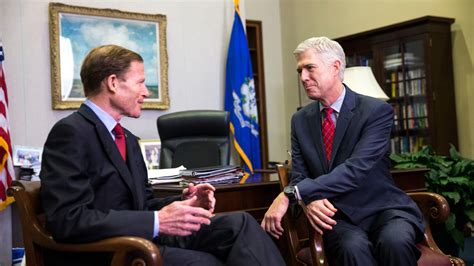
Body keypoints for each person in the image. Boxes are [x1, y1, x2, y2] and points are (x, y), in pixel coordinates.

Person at [40, 44, 285, 266]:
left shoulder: (127, 138)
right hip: (107, 251)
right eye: (140, 83)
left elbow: (143, 204)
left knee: (239, 224)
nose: (146, 92)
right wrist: (157, 221)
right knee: (208, 262)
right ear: (113, 83)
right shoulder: (71, 133)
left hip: (143, 236)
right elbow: (68, 220)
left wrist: (183, 202)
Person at [261, 37, 425, 266]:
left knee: (394, 242)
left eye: (310, 68)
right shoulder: (300, 120)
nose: (303, 78)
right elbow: (299, 174)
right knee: (352, 248)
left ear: (335, 66)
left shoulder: (376, 111)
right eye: (300, 71)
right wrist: (307, 199)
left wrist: (293, 193)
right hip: (336, 216)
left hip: (383, 209)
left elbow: (355, 170)